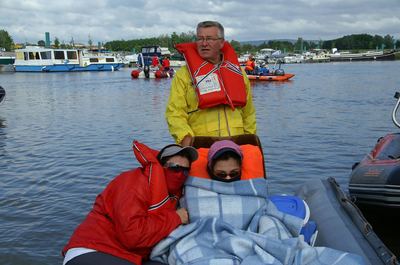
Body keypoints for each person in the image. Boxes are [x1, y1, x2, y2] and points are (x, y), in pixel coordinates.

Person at [62, 141, 198, 265]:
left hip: (128, 256)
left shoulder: (174, 195)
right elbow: (132, 236)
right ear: (161, 166)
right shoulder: (133, 183)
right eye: (174, 168)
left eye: (185, 170)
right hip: (93, 249)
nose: (180, 174)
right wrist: (176, 218)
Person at [165, 21, 257, 146]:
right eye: (200, 39)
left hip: (236, 146)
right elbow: (174, 113)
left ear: (221, 43)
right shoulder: (183, 75)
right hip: (201, 145)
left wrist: (249, 140)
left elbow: (249, 113)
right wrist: (185, 138)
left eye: (209, 39)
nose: (204, 44)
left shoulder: (238, 72)